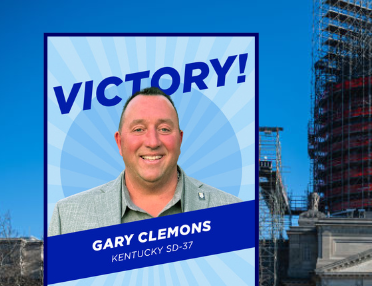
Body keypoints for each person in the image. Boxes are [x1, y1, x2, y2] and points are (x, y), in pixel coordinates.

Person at [48, 87, 241, 236]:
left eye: (164, 129)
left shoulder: (232, 215)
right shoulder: (66, 219)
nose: (152, 142)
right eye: (138, 129)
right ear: (119, 142)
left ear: (180, 140)